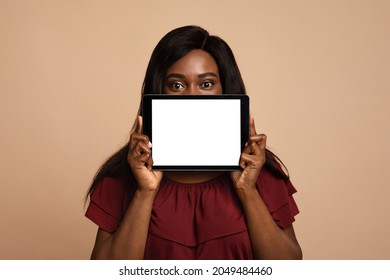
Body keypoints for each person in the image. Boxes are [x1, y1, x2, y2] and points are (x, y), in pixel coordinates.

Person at [85, 25, 302, 260]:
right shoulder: (124, 174)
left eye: (206, 84)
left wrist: (247, 190)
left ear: (225, 89)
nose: (192, 96)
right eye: (177, 85)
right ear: (159, 90)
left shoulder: (260, 169)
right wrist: (145, 192)